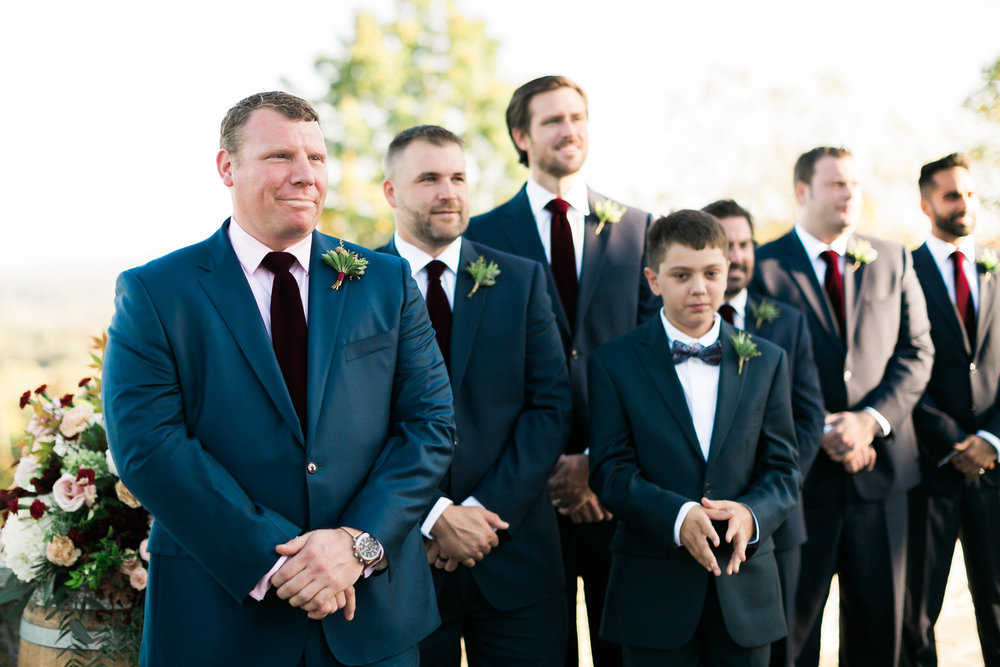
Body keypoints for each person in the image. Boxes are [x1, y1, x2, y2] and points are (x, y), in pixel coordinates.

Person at [102, 91, 455, 667]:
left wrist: (354, 547)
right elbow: (148, 447)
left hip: (369, 621)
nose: (304, 175)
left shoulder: (384, 281)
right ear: (226, 167)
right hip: (220, 620)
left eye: (316, 158)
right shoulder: (157, 293)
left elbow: (430, 426)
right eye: (280, 157)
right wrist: (279, 562)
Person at [465, 74, 658, 666]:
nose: (568, 130)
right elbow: (478, 372)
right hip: (521, 494)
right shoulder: (479, 236)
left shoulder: (640, 229)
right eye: (552, 120)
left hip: (620, 484)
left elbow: (656, 361)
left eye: (577, 117)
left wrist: (599, 462)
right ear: (522, 136)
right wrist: (544, 467)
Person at [376, 124, 573, 666]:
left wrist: (481, 511)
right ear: (391, 192)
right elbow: (347, 423)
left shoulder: (522, 280)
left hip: (514, 555)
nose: (449, 192)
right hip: (402, 562)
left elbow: (549, 406)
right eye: (430, 178)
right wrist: (433, 514)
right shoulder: (352, 284)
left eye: (459, 177)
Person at [589, 209, 800, 666]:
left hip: (745, 591)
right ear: (653, 279)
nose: (699, 288)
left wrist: (751, 512)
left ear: (727, 273)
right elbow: (609, 470)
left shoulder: (767, 359)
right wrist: (677, 514)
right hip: (651, 594)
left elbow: (783, 470)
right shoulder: (614, 362)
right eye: (681, 275)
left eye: (711, 273)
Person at [752, 146, 934, 667]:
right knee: (794, 634)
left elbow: (917, 351)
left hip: (882, 478)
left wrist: (868, 423)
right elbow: (757, 369)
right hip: (801, 485)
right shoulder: (764, 267)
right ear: (803, 191)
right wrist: (827, 429)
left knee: (883, 632)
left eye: (855, 184)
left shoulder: (893, 258)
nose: (849, 193)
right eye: (836, 184)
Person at [703, 199, 824, 667]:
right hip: (699, 521)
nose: (737, 256)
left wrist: (765, 497)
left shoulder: (787, 322)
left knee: (782, 653)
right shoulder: (673, 322)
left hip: (775, 522)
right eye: (725, 245)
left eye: (744, 243)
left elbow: (808, 420)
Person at [904, 153, 1000, 667]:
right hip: (928, 467)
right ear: (926, 204)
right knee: (917, 613)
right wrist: (951, 440)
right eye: (950, 195)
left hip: (996, 467)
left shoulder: (998, 266)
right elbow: (897, 362)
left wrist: (992, 439)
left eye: (970, 193)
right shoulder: (901, 271)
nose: (964, 205)